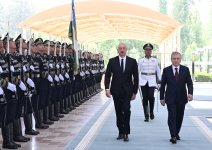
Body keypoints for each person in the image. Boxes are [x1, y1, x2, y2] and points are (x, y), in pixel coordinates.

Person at [104, 43, 138, 142]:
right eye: (120, 48)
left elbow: (136, 77)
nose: (122, 50)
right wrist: (107, 89)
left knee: (126, 110)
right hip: (116, 90)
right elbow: (107, 76)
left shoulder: (132, 61)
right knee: (118, 111)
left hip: (128, 91)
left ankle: (126, 132)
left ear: (126, 50)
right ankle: (121, 132)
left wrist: (135, 92)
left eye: (123, 48)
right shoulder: (112, 61)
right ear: (117, 50)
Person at [160, 51, 193, 144]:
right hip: (170, 98)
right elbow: (163, 85)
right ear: (171, 59)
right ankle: (173, 135)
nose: (176, 60)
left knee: (179, 117)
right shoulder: (166, 70)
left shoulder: (185, 70)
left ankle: (176, 132)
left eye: (178, 58)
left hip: (182, 98)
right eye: (174, 58)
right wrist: (161, 98)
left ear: (180, 59)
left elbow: (189, 83)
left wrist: (190, 93)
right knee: (172, 116)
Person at [138, 43, 161, 122]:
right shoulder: (141, 60)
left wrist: (159, 82)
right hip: (143, 81)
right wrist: (137, 82)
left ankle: (151, 111)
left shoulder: (155, 60)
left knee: (151, 97)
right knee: (145, 98)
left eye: (149, 50)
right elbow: (137, 71)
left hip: (152, 81)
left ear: (151, 51)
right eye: (146, 50)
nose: (148, 51)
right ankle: (146, 115)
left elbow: (158, 71)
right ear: (144, 51)